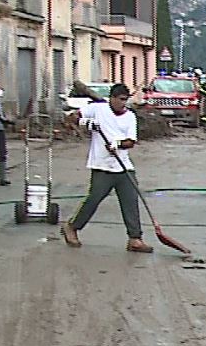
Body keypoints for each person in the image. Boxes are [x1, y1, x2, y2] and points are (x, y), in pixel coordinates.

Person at [61, 83, 152, 253]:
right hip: (101, 165)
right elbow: (72, 117)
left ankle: (135, 238)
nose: (123, 103)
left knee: (131, 200)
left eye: (126, 100)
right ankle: (72, 227)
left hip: (123, 166)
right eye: (121, 99)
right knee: (94, 198)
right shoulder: (97, 109)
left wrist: (117, 144)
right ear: (112, 98)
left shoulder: (130, 116)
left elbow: (131, 141)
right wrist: (85, 122)